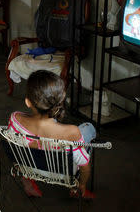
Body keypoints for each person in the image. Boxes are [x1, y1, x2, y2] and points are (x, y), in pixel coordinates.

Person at [8, 70, 95, 199]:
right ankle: (75, 188)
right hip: (62, 173)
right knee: (89, 128)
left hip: (28, 167)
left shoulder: (15, 119)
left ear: (28, 101)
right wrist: (82, 184)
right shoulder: (71, 132)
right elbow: (84, 166)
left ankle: (28, 183)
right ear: (60, 100)